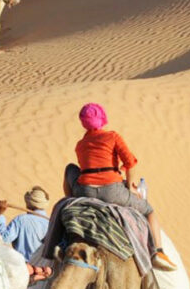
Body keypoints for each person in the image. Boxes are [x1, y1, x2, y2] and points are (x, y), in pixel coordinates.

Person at [71, 103, 177, 271]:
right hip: (112, 191)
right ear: (103, 119)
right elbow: (130, 162)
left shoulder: (80, 144)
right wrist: (129, 186)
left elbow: (89, 166)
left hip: (85, 191)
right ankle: (157, 251)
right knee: (149, 211)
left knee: (70, 170)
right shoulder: (113, 137)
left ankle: (71, 204)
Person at [0, 186, 51, 260]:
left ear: (28, 203)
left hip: (23, 268)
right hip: (45, 269)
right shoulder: (51, 223)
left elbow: (3, 239)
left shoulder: (21, 220)